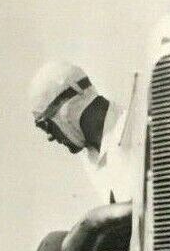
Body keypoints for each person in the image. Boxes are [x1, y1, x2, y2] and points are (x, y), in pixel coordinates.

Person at [27, 59, 131, 203]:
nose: (49, 137)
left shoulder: (136, 127)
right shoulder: (90, 159)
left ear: (66, 108)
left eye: (45, 125)